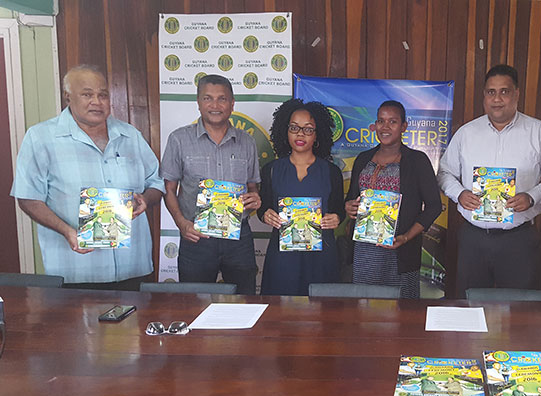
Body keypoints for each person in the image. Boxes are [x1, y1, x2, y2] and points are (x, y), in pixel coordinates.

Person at [10, 65, 164, 290]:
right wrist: (67, 230)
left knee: (134, 326)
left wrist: (146, 199)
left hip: (133, 267)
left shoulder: (130, 135)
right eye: (87, 94)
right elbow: (28, 197)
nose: (97, 101)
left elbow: (156, 182)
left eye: (102, 95)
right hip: (75, 271)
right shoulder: (41, 138)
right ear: (68, 97)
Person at [438, 64, 541, 297]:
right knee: (469, 305)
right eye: (491, 92)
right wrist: (459, 194)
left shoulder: (540, 132)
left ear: (516, 94)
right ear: (484, 96)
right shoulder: (466, 133)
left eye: (504, 92)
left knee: (519, 313)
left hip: (518, 240)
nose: (497, 99)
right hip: (473, 238)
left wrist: (532, 196)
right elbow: (444, 173)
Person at [160, 74, 261, 294]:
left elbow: (253, 188)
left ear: (232, 103)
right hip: (196, 236)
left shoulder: (247, 142)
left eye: (222, 99)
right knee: (193, 303)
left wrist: (255, 199)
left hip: (238, 237)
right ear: (198, 102)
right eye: (208, 98)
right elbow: (168, 189)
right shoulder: (179, 139)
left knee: (244, 300)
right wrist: (181, 223)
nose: (215, 105)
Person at [345, 101, 442, 298]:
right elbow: (350, 199)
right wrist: (348, 206)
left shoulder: (417, 161)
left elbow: (434, 206)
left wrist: (406, 237)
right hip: (364, 253)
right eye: (381, 121)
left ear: (404, 127)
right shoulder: (363, 159)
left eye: (393, 121)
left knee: (401, 315)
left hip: (400, 252)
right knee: (364, 313)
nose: (385, 127)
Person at [258, 99, 345, 295]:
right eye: (294, 127)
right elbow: (263, 208)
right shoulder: (271, 170)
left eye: (308, 129)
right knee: (280, 314)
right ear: (284, 131)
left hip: (321, 257)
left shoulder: (331, 172)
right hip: (283, 258)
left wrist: (337, 218)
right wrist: (265, 215)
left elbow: (339, 209)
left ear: (317, 134)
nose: (300, 134)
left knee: (321, 315)